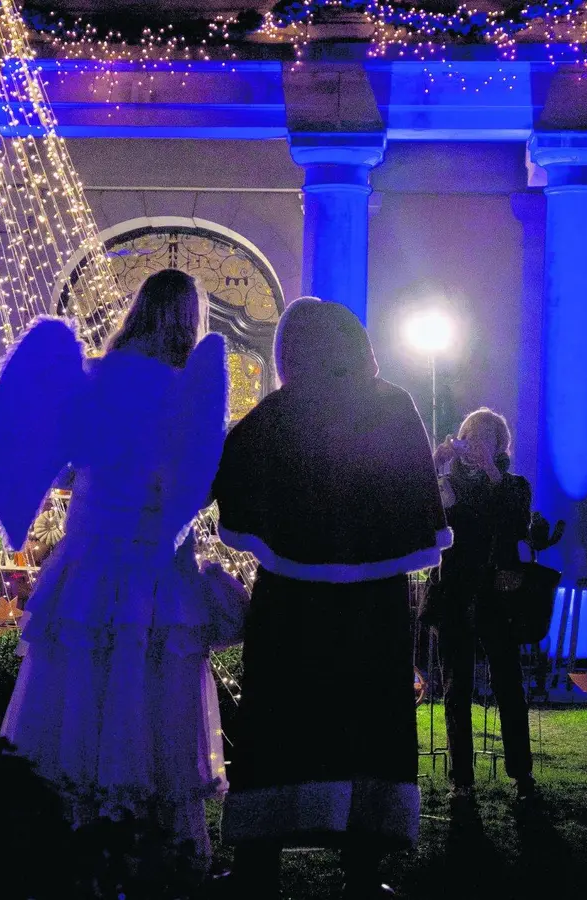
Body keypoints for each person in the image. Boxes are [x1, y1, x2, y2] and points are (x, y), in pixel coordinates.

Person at [0, 269, 247, 880]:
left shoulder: (92, 378)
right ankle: (162, 843)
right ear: (188, 320)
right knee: (156, 691)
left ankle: (79, 832)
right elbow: (197, 482)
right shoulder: (192, 388)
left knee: (81, 686)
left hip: (91, 556)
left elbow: (64, 470)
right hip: (155, 558)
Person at [213, 298, 451, 900]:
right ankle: (364, 868)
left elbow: (230, 479)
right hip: (372, 609)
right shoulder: (393, 407)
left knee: (276, 724)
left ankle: (258, 865)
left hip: (291, 605)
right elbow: (418, 498)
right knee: (369, 725)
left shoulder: (275, 414)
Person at [423, 408, 537, 804]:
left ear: (499, 445)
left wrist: (491, 471)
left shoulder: (513, 484)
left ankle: (522, 776)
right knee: (456, 688)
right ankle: (462, 780)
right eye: (469, 436)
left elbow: (517, 523)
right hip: (454, 592)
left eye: (485, 439)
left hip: (497, 595)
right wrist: (433, 466)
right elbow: (424, 517)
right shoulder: (448, 482)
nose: (475, 446)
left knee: (508, 685)